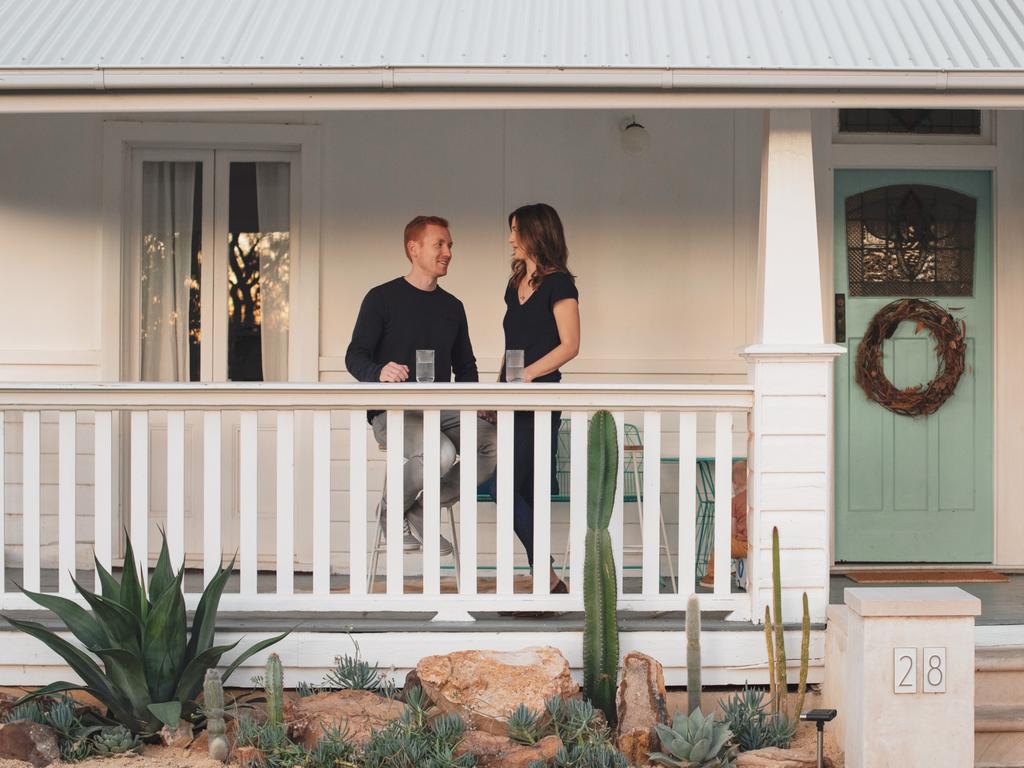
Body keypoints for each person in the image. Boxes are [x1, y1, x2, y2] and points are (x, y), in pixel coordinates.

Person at [345, 215, 497, 553]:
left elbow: (466, 367)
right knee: (441, 451)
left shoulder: (452, 307)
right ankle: (389, 510)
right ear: (414, 249)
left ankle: (419, 509)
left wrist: (476, 402)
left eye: (450, 245)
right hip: (394, 412)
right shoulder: (381, 298)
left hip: (442, 409)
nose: (448, 252)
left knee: (493, 446)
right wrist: (379, 371)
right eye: (439, 244)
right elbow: (354, 356)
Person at [481, 203, 580, 594]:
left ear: (536, 233)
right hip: (511, 400)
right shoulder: (515, 283)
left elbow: (570, 345)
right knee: (520, 491)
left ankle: (547, 576)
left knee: (503, 487)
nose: (510, 239)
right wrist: (499, 386)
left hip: (540, 401)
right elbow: (511, 345)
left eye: (515, 231)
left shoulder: (560, 284)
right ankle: (547, 583)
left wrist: (528, 376)